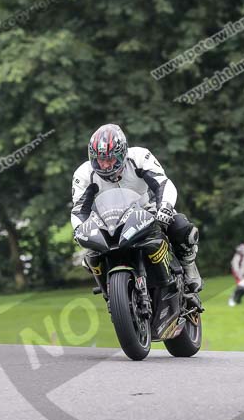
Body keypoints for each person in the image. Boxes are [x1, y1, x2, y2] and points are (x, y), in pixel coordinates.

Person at [71, 123, 202, 293]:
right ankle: (110, 293)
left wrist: (165, 208)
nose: (105, 165)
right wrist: (79, 230)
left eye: (110, 159)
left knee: (181, 227)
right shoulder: (84, 174)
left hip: (148, 210)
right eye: (100, 160)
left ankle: (189, 265)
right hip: (108, 221)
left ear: (123, 154)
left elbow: (163, 184)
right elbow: (79, 210)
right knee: (89, 258)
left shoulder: (140, 157)